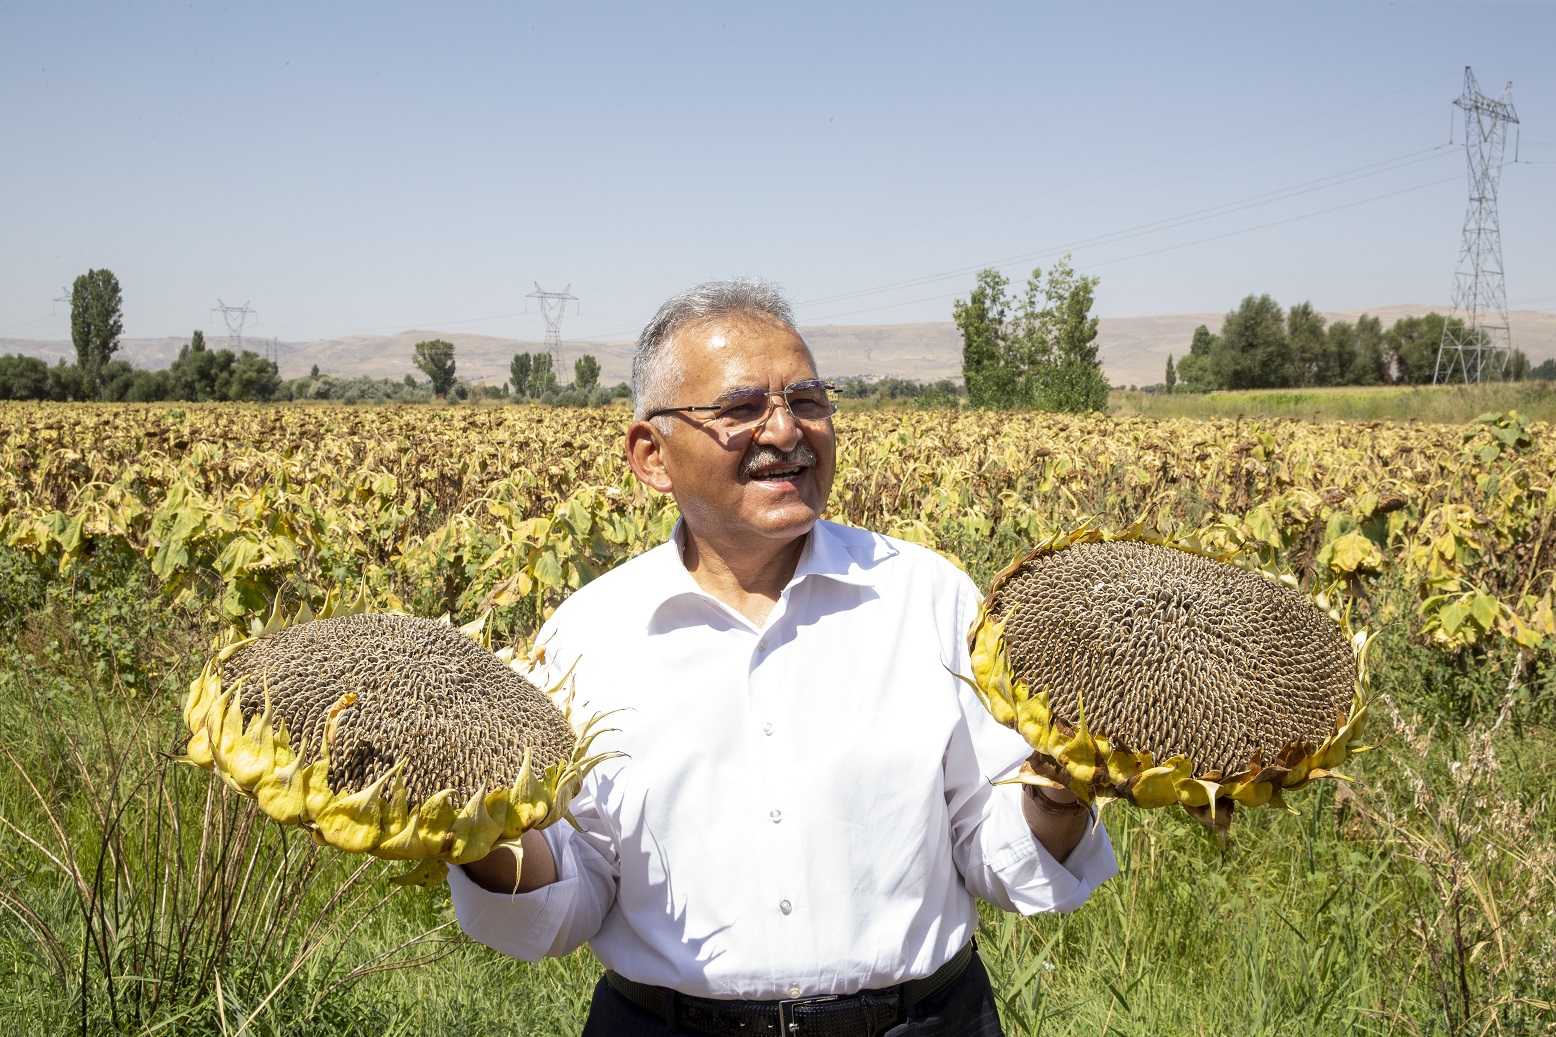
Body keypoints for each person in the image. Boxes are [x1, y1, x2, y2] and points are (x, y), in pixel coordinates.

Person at [449, 280, 1117, 1035]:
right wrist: (467, 821)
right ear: (651, 455)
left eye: (807, 400)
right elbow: (569, 894)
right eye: (741, 408)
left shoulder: (928, 597)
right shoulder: (588, 636)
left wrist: (1064, 782)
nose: (786, 430)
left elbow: (997, 849)